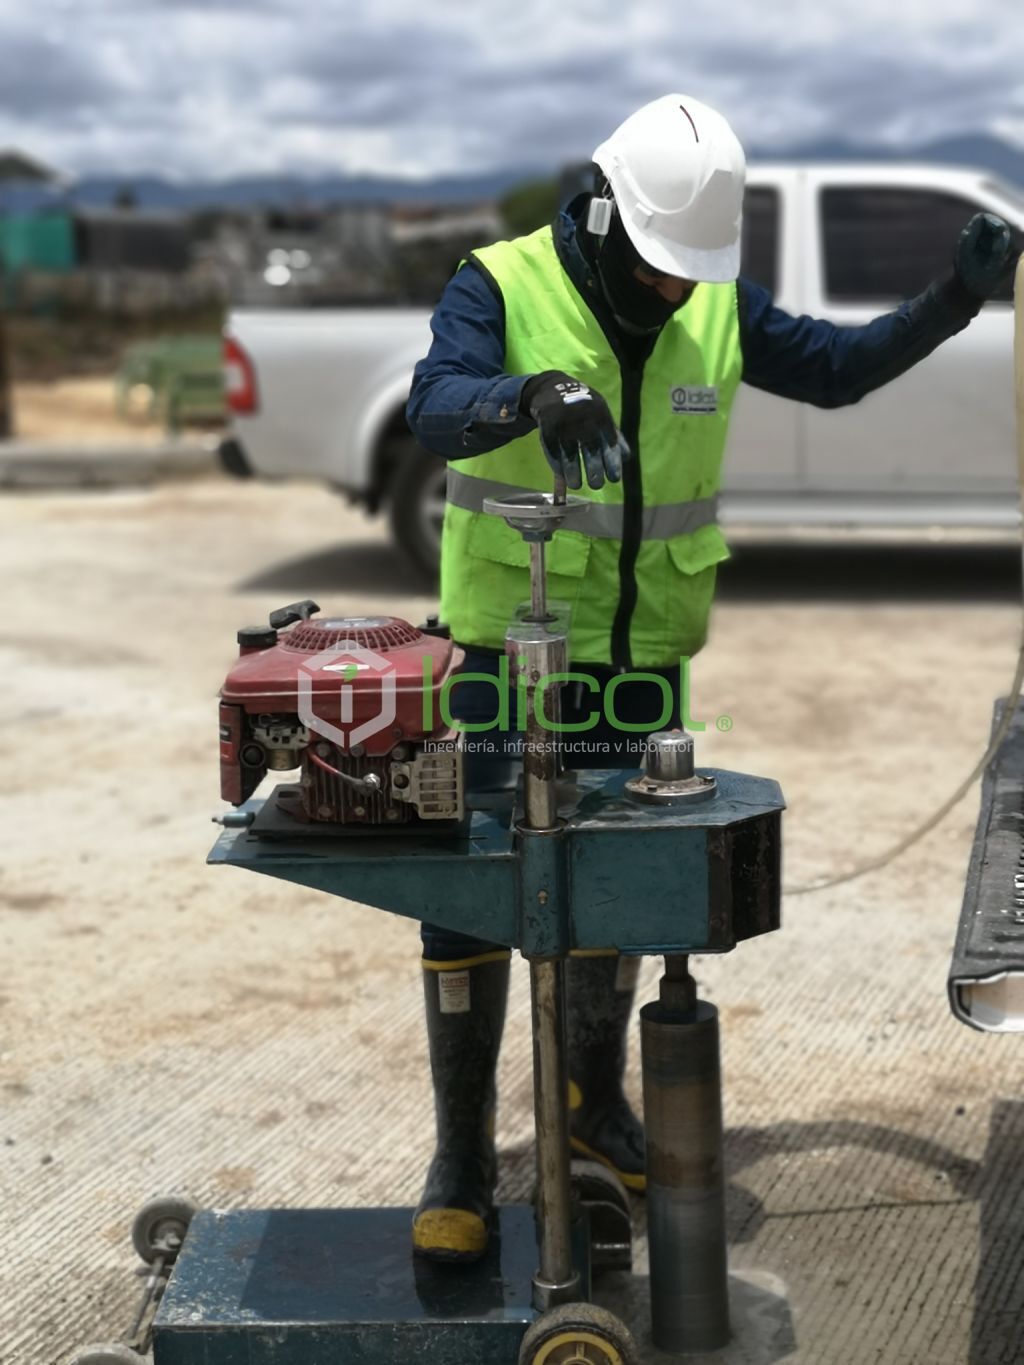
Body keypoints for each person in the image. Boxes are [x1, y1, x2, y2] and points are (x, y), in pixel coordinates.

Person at [404, 93, 1017, 1262]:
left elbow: (833, 370)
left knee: (617, 891)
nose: (674, 289)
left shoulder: (715, 304)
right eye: (657, 265)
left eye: (689, 270)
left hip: (639, 666)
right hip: (501, 654)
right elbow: (434, 406)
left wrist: (951, 298)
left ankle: (588, 1104)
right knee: (470, 893)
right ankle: (463, 1160)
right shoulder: (499, 284)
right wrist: (525, 395)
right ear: (603, 213)